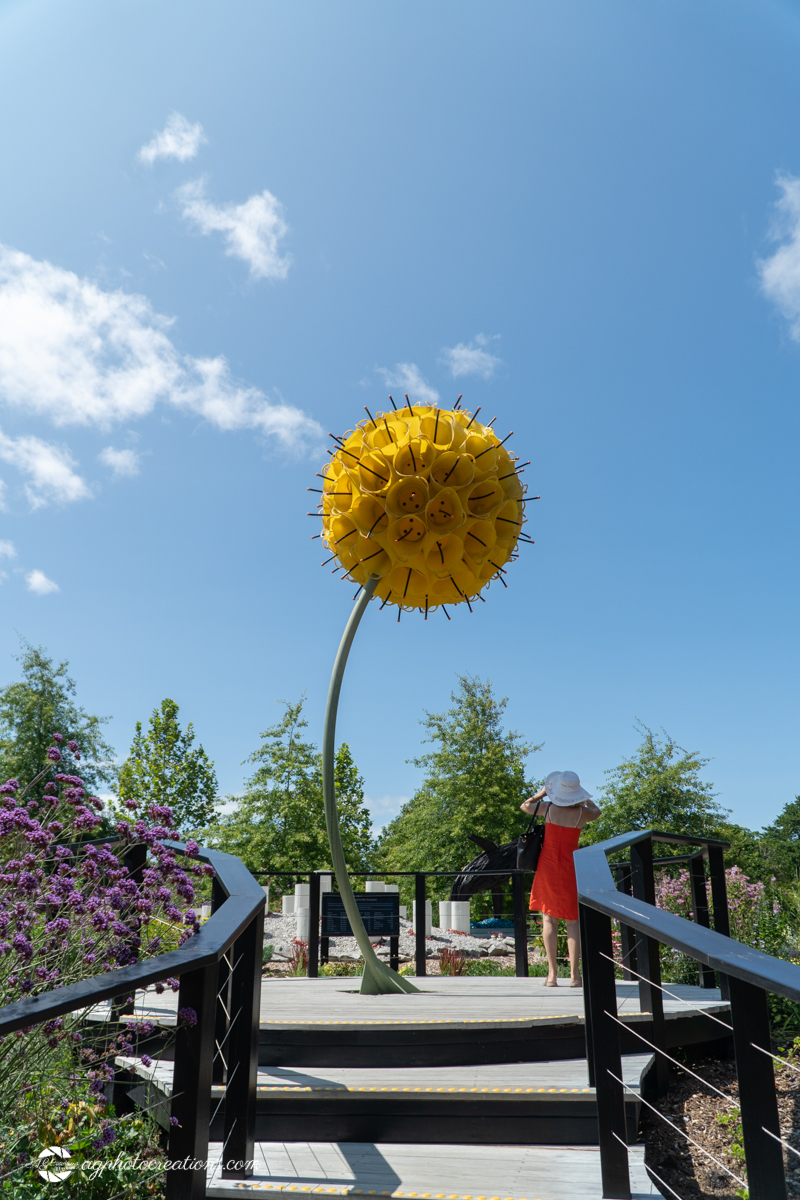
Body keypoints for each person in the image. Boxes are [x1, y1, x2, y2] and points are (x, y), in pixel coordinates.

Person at [521, 770, 601, 988]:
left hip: (548, 866)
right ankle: (575, 976)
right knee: (573, 921)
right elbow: (598, 811)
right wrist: (584, 797)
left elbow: (524, 806)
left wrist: (541, 794)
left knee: (549, 919)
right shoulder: (582, 814)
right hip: (571, 866)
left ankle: (552, 975)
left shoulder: (548, 808)